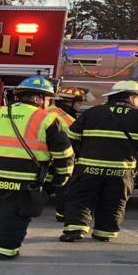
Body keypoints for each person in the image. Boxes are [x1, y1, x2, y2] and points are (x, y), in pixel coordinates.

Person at [0, 75, 74, 260]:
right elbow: (63, 153)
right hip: (21, 178)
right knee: (13, 214)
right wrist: (62, 177)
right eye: (49, 99)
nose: (49, 104)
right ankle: (3, 251)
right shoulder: (47, 119)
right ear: (38, 98)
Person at [59, 79, 138, 243]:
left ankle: (75, 229)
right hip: (122, 171)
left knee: (81, 198)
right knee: (113, 201)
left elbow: (71, 137)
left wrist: (78, 156)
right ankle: (104, 232)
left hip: (89, 168)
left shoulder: (92, 113)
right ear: (132, 98)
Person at [50, 86, 89, 222]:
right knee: (66, 184)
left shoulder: (51, 111)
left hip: (46, 155)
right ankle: (62, 213)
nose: (80, 105)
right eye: (79, 102)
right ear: (68, 102)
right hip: (60, 156)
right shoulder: (66, 119)